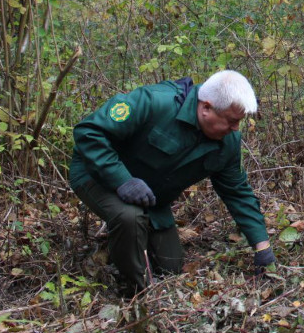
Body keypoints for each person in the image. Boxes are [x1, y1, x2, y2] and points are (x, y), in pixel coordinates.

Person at [69, 70, 275, 293]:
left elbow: (237, 192)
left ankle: (125, 245)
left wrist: (262, 247)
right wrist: (122, 180)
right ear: (206, 108)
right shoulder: (154, 102)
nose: (236, 128)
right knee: (129, 217)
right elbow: (89, 132)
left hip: (151, 199)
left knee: (171, 267)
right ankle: (139, 292)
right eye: (232, 121)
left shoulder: (228, 143)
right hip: (97, 174)